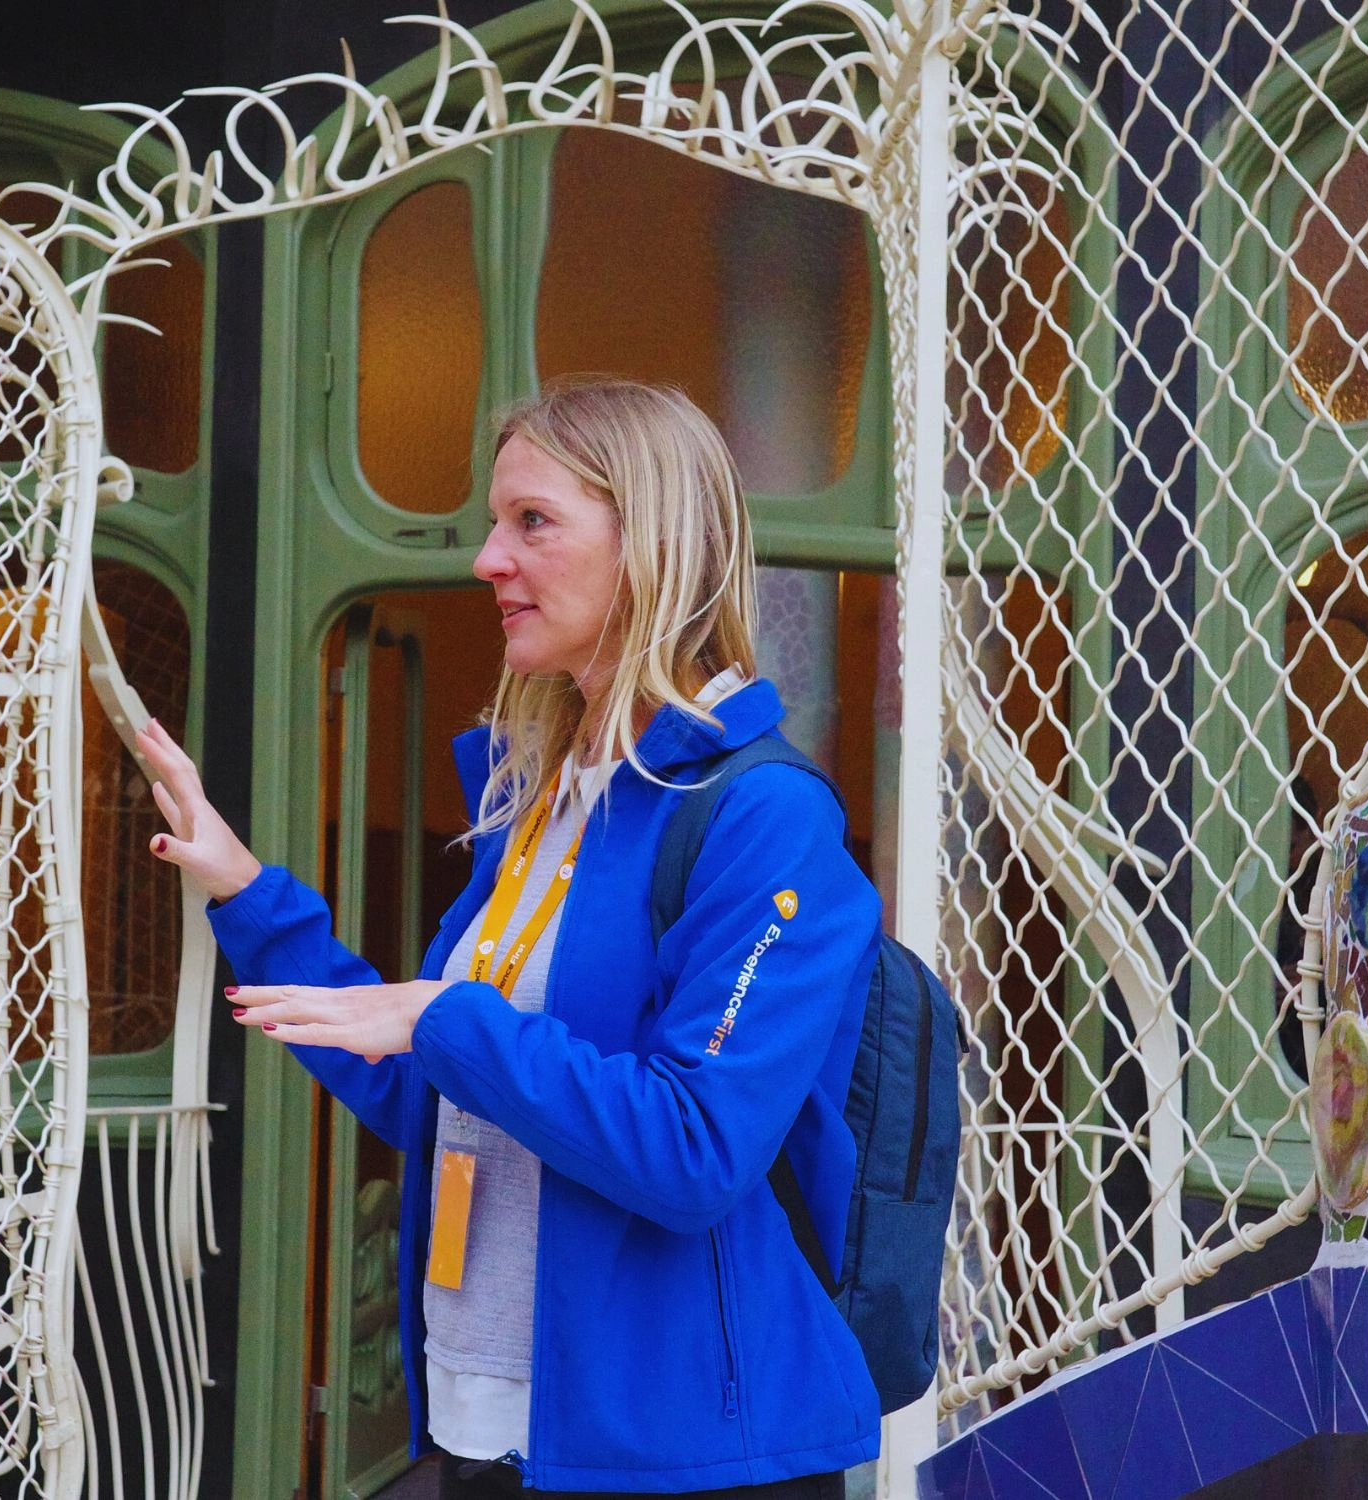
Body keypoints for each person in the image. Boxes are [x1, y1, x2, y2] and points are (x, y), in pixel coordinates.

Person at [137, 378, 883, 1497]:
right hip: (486, 1431)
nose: (488, 559)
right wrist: (250, 898)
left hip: (683, 1462)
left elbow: (695, 1155)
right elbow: (440, 1094)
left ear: (653, 544)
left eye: (533, 522)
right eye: (496, 523)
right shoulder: (539, 800)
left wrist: (445, 1015)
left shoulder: (762, 816)